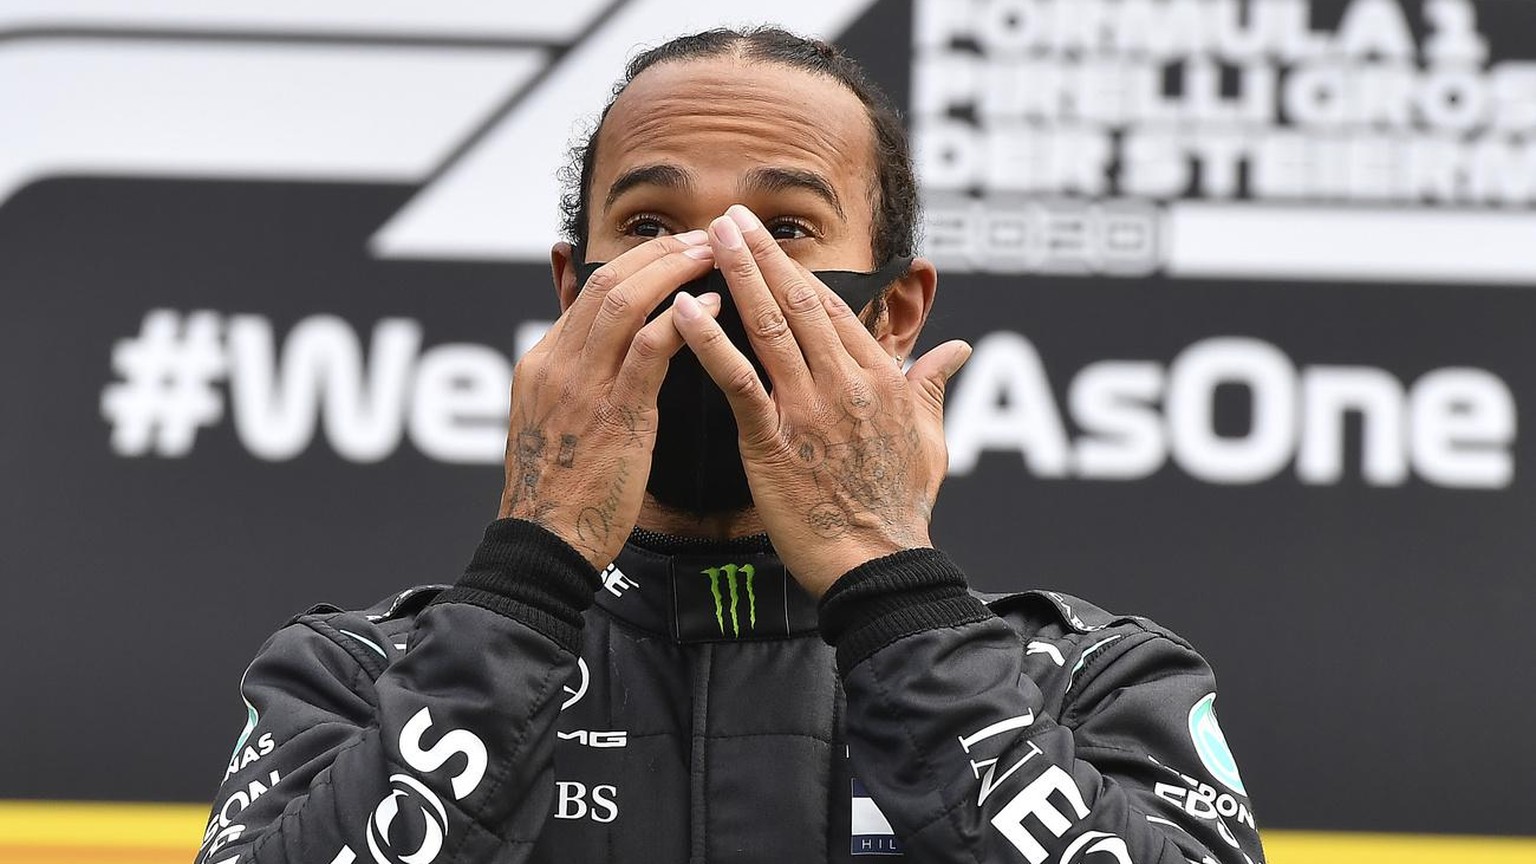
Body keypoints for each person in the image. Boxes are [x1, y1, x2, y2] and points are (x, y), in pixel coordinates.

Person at [196, 27, 1266, 864]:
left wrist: (890, 588)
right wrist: (536, 559)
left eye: (787, 229)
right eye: (654, 226)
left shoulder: (1089, 680)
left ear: (893, 314)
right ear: (575, 293)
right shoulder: (356, 674)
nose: (718, 267)